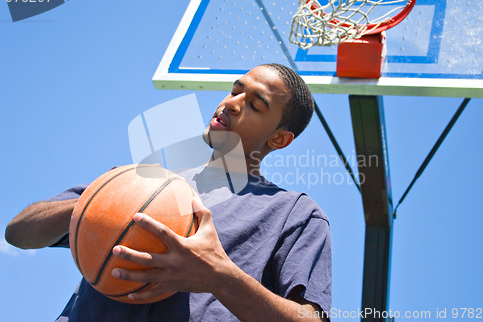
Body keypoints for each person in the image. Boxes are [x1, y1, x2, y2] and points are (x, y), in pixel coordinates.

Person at [5, 63, 332, 322]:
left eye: (254, 105)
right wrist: (97, 205)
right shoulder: (137, 180)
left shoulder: (294, 214)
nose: (231, 104)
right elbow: (18, 232)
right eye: (235, 91)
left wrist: (220, 277)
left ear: (278, 139)